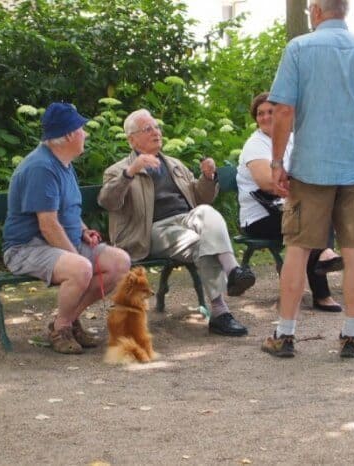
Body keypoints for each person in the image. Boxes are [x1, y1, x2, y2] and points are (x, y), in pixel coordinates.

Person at [261, 0, 354, 358]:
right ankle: (351, 336)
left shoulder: (299, 49)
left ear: (316, 11)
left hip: (311, 168)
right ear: (345, 11)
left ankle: (285, 334)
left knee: (297, 249)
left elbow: (283, 109)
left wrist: (277, 162)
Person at [98, 109, 253, 337]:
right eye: (147, 129)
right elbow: (108, 201)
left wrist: (208, 178)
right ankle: (221, 310)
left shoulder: (175, 164)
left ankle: (233, 273)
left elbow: (202, 198)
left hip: (187, 221)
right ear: (132, 139)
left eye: (157, 127)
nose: (156, 132)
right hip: (150, 231)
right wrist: (131, 172)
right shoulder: (118, 170)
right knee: (202, 243)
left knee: (206, 213)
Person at [2, 102, 131, 355]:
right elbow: (48, 225)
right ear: (70, 134)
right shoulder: (41, 167)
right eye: (82, 129)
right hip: (27, 247)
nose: (86, 134)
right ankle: (60, 328)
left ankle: (69, 320)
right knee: (81, 268)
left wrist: (83, 230)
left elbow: (67, 210)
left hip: (58, 241)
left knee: (120, 262)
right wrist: (76, 255)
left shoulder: (64, 162)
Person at [237, 92, 343, 313]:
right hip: (260, 217)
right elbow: (267, 182)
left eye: (270, 112)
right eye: (260, 113)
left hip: (290, 209)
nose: (265, 117)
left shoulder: (291, 139)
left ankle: (322, 267)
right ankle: (321, 280)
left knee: (317, 213)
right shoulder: (255, 145)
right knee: (308, 223)